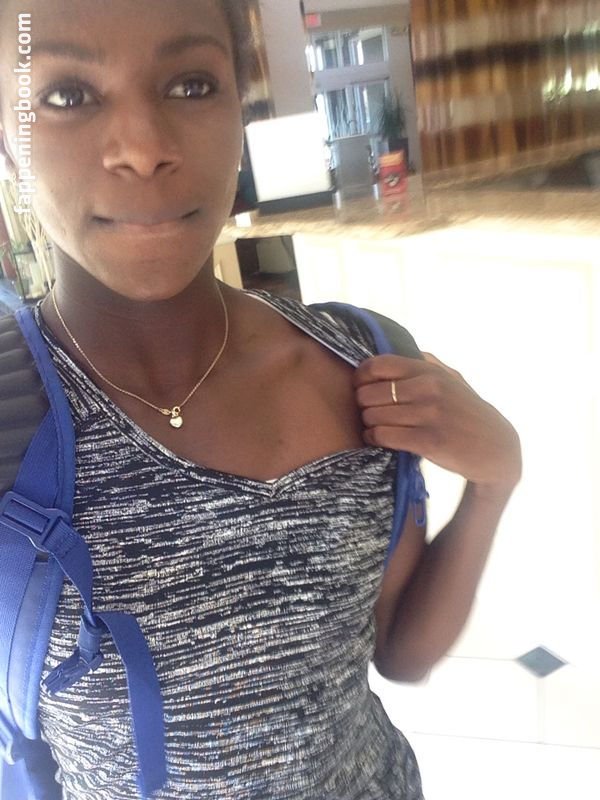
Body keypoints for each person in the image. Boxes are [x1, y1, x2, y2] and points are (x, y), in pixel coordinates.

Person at [0, 1, 522, 798]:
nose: (143, 147)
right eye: (66, 94)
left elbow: (401, 654)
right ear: (8, 141)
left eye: (191, 84)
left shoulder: (362, 367)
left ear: (239, 108)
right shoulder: (13, 419)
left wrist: (492, 483)